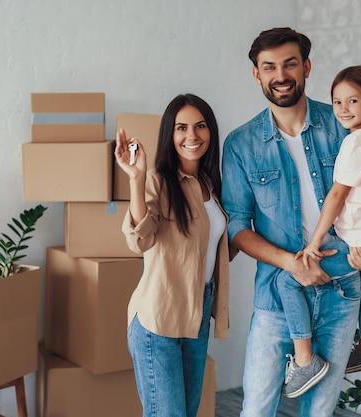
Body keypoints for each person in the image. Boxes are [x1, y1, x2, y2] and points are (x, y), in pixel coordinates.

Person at [221, 27, 361, 416]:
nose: (280, 75)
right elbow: (237, 226)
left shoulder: (345, 123)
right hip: (276, 296)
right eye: (269, 67)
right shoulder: (240, 144)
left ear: (306, 67)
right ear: (257, 74)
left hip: (341, 293)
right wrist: (292, 265)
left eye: (289, 64)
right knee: (256, 408)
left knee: (319, 411)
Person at [277, 64, 361, 395]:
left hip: (358, 243)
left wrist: (314, 243)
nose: (343, 110)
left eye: (353, 101)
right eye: (337, 102)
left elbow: (335, 195)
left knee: (287, 279)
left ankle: (305, 362)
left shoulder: (356, 143)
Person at [115, 93, 233, 417]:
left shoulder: (211, 184)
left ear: (211, 131)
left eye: (200, 126)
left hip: (197, 315)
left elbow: (216, 249)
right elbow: (139, 240)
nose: (191, 136)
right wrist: (136, 179)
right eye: (181, 128)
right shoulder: (159, 183)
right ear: (170, 134)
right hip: (159, 317)